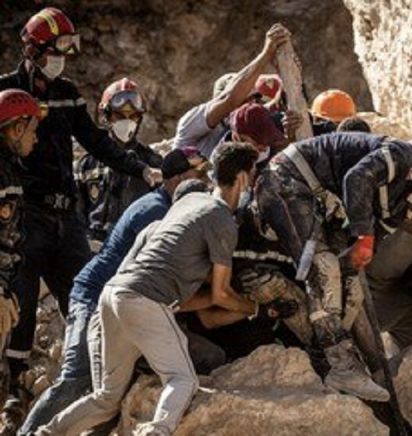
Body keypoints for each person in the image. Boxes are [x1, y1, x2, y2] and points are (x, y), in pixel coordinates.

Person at [0, 9, 162, 423]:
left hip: (66, 215)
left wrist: (138, 167)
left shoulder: (68, 92)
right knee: (21, 302)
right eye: (57, 50)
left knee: (84, 295)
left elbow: (94, 140)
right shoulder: (8, 94)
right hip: (25, 216)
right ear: (34, 49)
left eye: (69, 51)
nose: (63, 59)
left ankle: (94, 377)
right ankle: (14, 393)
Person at [38, 142, 259, 436]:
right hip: (144, 301)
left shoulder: (181, 208)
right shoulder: (220, 217)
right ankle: (156, 432)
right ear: (242, 178)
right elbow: (221, 294)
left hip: (113, 295)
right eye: (253, 176)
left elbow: (161, 281)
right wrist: (255, 308)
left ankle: (42, 434)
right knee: (182, 379)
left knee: (106, 398)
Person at [256, 132, 412, 401]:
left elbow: (384, 229)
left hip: (322, 203)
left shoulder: (408, 201)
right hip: (287, 178)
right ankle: (340, 365)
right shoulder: (402, 156)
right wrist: (364, 237)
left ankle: (325, 359)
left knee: (350, 288)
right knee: (324, 267)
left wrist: (357, 255)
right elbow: (356, 178)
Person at [20, 148, 210, 434]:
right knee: (77, 376)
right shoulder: (157, 212)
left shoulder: (165, 206)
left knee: (110, 391)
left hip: (119, 299)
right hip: (94, 295)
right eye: (199, 176)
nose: (205, 185)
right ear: (179, 179)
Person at [172, 24, 290, 158]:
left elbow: (278, 105)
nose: (250, 105)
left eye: (254, 100)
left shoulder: (251, 123)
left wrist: (287, 73)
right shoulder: (192, 122)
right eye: (244, 100)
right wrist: (266, 54)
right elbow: (230, 100)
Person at [76, 78, 162, 243]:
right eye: (119, 115)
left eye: (133, 116)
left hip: (132, 248)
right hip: (92, 247)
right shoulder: (88, 163)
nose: (127, 121)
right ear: (105, 116)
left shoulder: (153, 163)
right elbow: (77, 213)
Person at [0, 89, 44, 340]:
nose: (35, 140)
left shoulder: (9, 169)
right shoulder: (4, 176)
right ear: (17, 130)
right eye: (32, 131)